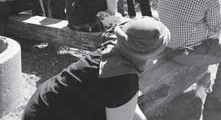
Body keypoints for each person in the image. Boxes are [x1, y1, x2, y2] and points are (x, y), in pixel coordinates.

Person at [22, 16, 170, 120]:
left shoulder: (112, 51)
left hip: (41, 107)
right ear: (149, 54)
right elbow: (123, 96)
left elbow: (125, 102)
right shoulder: (123, 78)